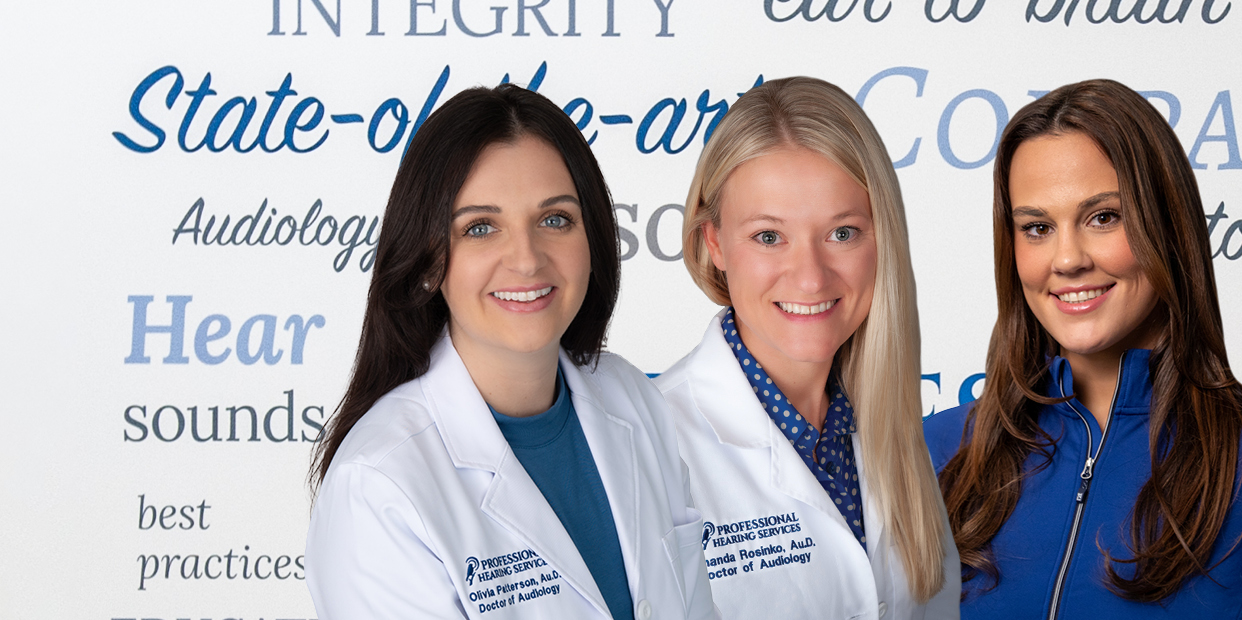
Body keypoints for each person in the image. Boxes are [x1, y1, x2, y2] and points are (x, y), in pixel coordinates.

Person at [306, 84, 714, 620]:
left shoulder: (633, 398)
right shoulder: (378, 485)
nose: (526, 259)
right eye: (480, 228)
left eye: (555, 220)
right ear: (428, 263)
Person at [923, 79, 1242, 620]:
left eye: (1103, 218)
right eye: (1038, 227)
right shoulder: (937, 452)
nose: (1066, 260)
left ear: (1166, 225)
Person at [652, 76, 960, 620]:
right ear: (715, 243)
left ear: (882, 236)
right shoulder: (651, 447)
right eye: (769, 237)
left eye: (842, 233)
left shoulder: (891, 428)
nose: (811, 278)